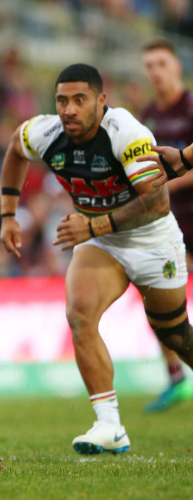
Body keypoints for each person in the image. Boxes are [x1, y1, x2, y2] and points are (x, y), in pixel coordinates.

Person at [0, 63, 192, 455]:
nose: (69, 109)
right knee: (79, 315)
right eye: (62, 100)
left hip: (151, 239)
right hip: (101, 241)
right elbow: (15, 150)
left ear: (101, 101)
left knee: (175, 334)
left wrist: (94, 226)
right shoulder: (45, 132)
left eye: (79, 100)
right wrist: (8, 214)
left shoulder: (127, 133)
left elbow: (156, 201)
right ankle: (109, 426)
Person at [138, 39, 193, 412]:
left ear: (177, 67)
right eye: (149, 65)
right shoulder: (148, 115)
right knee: (157, 298)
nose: (155, 71)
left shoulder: (190, 106)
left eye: (161, 63)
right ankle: (175, 377)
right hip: (168, 223)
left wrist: (160, 188)